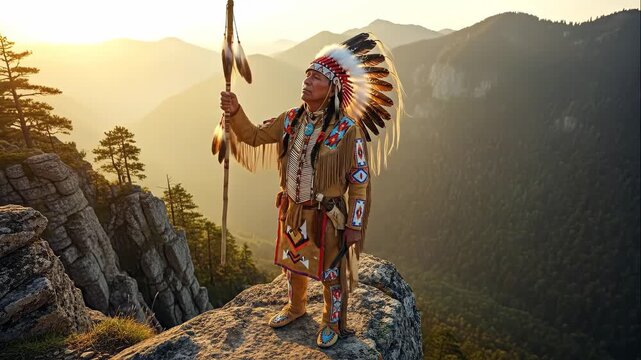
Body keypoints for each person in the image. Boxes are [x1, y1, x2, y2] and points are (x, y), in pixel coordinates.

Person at [215, 33, 401, 348]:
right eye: (306, 75)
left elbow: (359, 180)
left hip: (327, 217)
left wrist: (355, 225)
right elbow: (254, 136)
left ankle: (332, 320)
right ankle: (297, 306)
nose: (307, 81)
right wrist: (235, 111)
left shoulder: (347, 131)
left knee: (330, 273)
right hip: (293, 210)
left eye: (316, 77)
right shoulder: (290, 121)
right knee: (294, 263)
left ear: (332, 89)